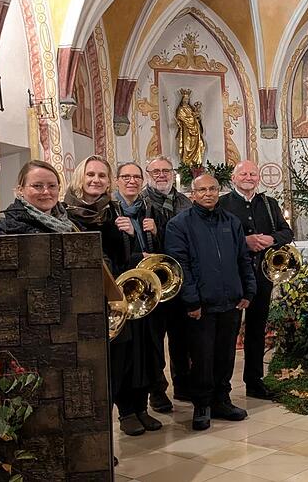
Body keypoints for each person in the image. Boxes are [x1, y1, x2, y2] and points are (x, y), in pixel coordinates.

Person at [63, 155, 160, 438]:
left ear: (108, 182)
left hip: (121, 294)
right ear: (80, 177)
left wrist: (130, 236)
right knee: (107, 363)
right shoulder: (66, 212)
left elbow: (126, 255)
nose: (96, 180)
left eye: (101, 175)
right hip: (88, 296)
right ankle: (124, 413)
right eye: (90, 174)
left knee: (134, 355)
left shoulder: (114, 209)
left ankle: (140, 407)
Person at [165, 174, 256, 431]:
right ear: (192, 194)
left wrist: (248, 291)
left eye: (212, 189)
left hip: (231, 302)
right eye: (202, 189)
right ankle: (202, 405)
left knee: (225, 355)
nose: (208, 194)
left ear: (219, 191)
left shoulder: (231, 221)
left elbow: (243, 258)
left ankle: (221, 400)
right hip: (201, 305)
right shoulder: (179, 224)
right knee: (202, 357)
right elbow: (180, 266)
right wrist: (192, 300)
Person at [218, 160, 293, 400]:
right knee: (228, 331)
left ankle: (254, 380)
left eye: (252, 173)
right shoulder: (222, 204)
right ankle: (222, 386)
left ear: (258, 178)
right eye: (243, 173)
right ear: (234, 177)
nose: (248, 177)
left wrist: (271, 239)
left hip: (262, 274)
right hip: (233, 276)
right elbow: (215, 238)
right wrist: (245, 242)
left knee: (256, 329)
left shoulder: (269, 204)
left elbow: (286, 232)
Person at [140, 156, 193, 412]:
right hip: (153, 282)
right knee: (154, 342)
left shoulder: (185, 202)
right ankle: (157, 391)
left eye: (166, 170)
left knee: (182, 339)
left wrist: (158, 229)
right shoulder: (141, 202)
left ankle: (183, 384)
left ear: (173, 174)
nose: (161, 175)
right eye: (156, 171)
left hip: (180, 280)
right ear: (148, 174)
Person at [0, 160, 75, 235]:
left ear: (59, 189)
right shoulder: (1, 228)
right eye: (37, 186)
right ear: (20, 190)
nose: (46, 191)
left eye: (52, 186)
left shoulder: (73, 223)